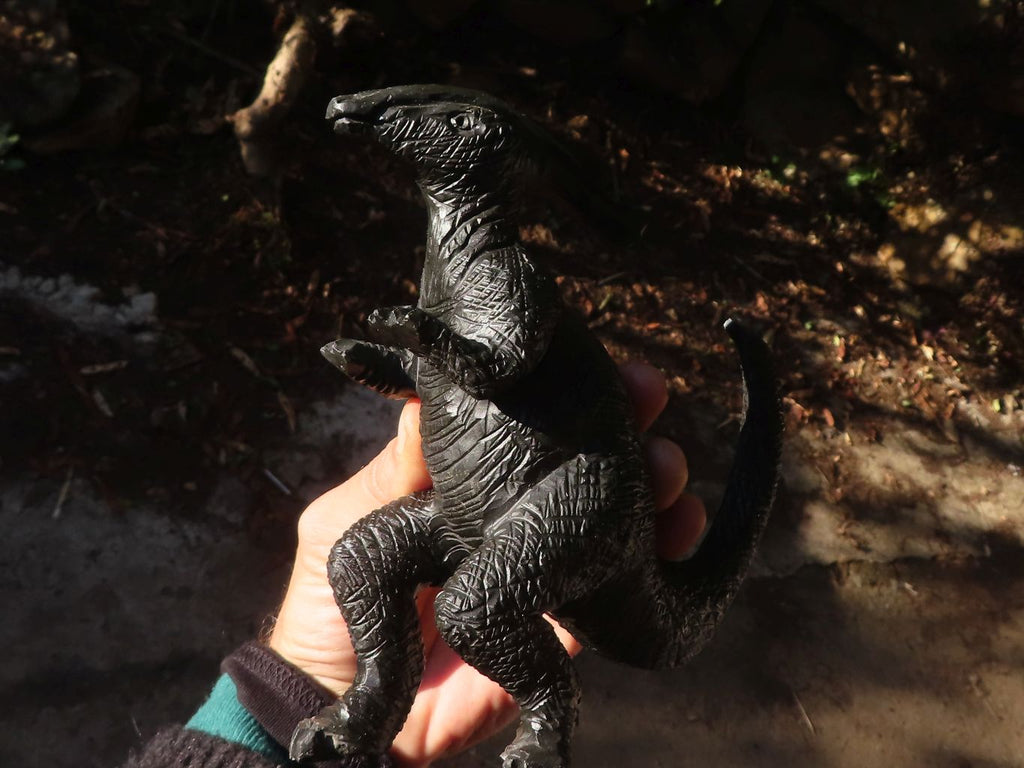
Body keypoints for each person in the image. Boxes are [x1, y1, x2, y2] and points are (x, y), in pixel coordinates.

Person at [122, 362, 707, 768]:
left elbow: (507, 346)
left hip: (549, 499)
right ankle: (375, 701)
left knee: (468, 612)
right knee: (357, 556)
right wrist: (310, 700)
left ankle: (548, 721)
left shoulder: (497, 258)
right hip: (472, 509)